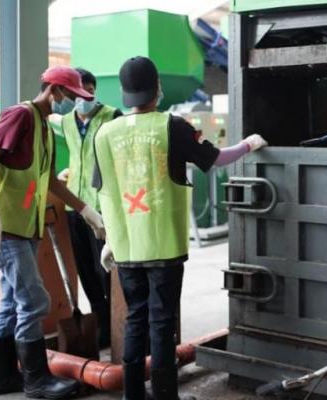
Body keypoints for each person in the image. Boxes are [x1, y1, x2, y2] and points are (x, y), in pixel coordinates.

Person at [94, 56, 267, 400]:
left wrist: (110, 239)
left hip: (125, 246)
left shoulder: (105, 132)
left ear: (124, 92)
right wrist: (249, 144)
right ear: (157, 88)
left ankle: (133, 395)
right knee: (161, 322)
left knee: (136, 320)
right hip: (164, 245)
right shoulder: (171, 126)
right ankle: (165, 396)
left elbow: (104, 188)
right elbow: (216, 158)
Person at [0, 66, 105, 398]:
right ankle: (36, 380)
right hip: (6, 228)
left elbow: (51, 180)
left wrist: (85, 211)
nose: (73, 103)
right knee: (35, 301)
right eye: (70, 96)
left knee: (12, 302)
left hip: (25, 226)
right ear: (54, 90)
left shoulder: (43, 126)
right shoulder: (20, 116)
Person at [57, 68, 122, 348]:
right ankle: (102, 325)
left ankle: (115, 321)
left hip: (103, 209)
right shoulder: (66, 122)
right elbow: (78, 156)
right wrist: (66, 171)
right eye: (81, 92)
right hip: (75, 207)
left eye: (91, 91)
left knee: (105, 269)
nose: (87, 96)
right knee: (85, 270)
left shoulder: (113, 117)